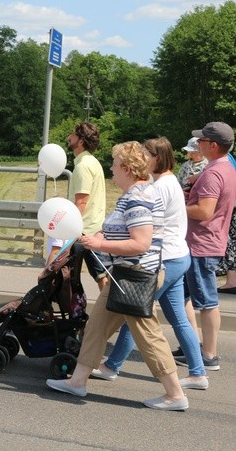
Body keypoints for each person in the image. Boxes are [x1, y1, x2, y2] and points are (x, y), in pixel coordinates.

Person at [47, 141, 188, 411]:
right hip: (124, 276)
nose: (110, 168)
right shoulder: (135, 193)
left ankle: (175, 394)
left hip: (135, 277)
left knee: (149, 336)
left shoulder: (137, 198)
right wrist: (95, 237)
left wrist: (99, 245)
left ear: (126, 168)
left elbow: (141, 243)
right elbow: (118, 231)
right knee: (96, 327)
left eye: (113, 164)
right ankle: (77, 382)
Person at [92, 137, 207, 389]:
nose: (143, 158)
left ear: (157, 158)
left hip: (165, 258)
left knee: (134, 311)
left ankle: (111, 366)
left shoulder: (159, 187)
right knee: (177, 318)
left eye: (147, 154)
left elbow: (146, 225)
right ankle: (198, 373)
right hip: (179, 255)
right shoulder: (170, 182)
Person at [176, 122, 236, 371]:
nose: (197, 144)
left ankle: (209, 354)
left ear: (213, 145)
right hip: (206, 242)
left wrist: (177, 207)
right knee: (182, 298)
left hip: (202, 244)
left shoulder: (213, 173)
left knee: (207, 301)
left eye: (201, 140)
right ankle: (191, 346)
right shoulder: (225, 167)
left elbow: (204, 211)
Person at [63, 121, 108, 289]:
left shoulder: (83, 166)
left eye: (73, 134)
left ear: (81, 141)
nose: (69, 137)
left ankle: (111, 312)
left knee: (101, 276)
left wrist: (68, 229)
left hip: (85, 231)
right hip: (92, 227)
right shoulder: (92, 161)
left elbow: (81, 202)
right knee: (99, 274)